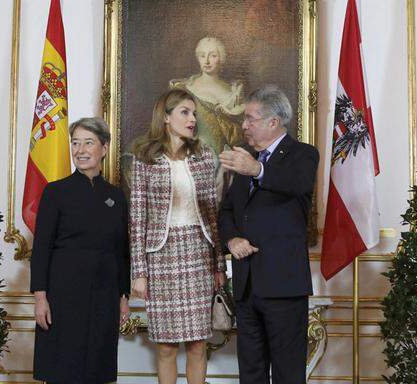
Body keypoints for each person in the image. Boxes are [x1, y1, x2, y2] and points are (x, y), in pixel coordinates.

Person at [219, 85, 319, 383]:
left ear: (273, 122)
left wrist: (257, 170)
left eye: (250, 118)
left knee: (288, 373)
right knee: (251, 373)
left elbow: (296, 184)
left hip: (284, 286)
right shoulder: (245, 159)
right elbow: (227, 212)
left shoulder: (302, 154)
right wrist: (232, 239)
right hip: (247, 286)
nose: (244, 125)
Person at [129, 89, 227, 384]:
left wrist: (219, 266)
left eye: (194, 113)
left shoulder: (204, 156)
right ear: (166, 117)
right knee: (167, 346)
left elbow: (213, 216)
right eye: (185, 112)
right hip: (161, 258)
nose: (192, 119)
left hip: (199, 255)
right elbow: (137, 220)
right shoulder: (144, 158)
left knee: (198, 344)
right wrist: (139, 273)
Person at [30, 117, 130, 384]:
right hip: (62, 295)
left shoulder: (116, 196)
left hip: (105, 295)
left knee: (98, 367)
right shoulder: (55, 192)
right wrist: (40, 298)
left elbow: (121, 251)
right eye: (76, 143)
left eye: (88, 143)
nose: (81, 150)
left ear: (104, 148)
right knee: (63, 368)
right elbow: (41, 249)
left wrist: (123, 295)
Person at [170, 36, 245, 199]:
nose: (207, 61)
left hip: (225, 158)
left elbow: (238, 131)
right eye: (202, 55)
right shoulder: (186, 88)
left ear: (221, 58)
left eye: (213, 55)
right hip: (193, 153)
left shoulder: (232, 91)